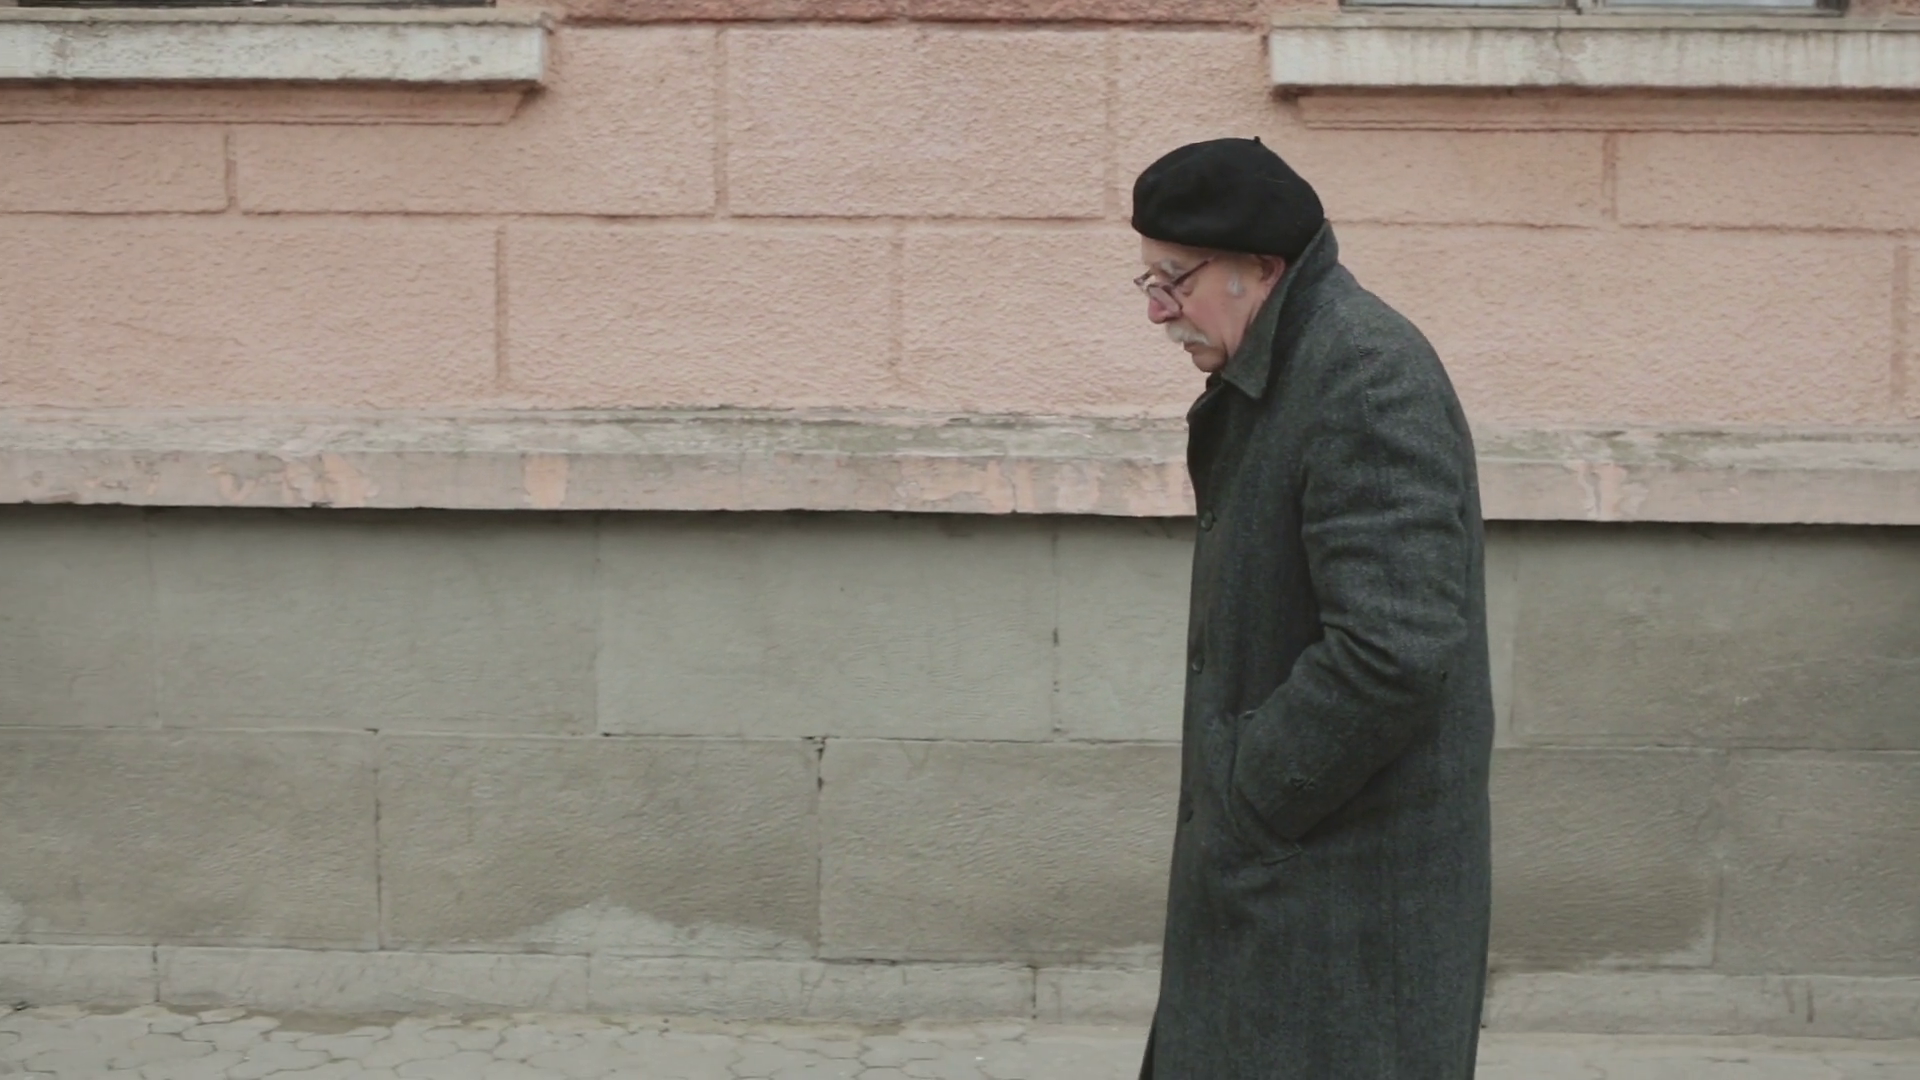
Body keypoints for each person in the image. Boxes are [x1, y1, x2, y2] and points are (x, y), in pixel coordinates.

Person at [1130, 137, 1494, 1080]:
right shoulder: (1291, 363)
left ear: (1261, 268)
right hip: (1296, 877)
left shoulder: (1362, 373)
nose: (1158, 309)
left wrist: (1251, 792)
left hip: (1345, 892)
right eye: (1147, 281)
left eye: (1175, 279)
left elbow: (1394, 646)